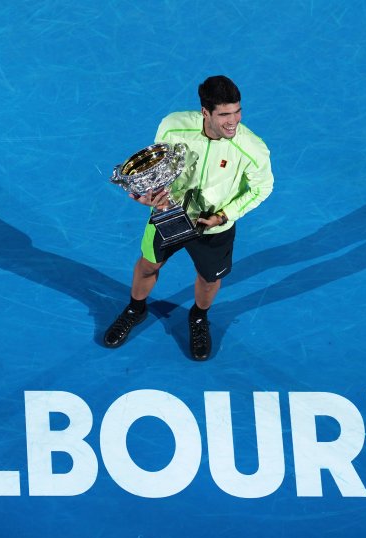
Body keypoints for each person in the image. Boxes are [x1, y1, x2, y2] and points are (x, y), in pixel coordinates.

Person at [104, 75, 274, 360]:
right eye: (224, 114)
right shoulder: (173, 126)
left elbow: (263, 188)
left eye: (237, 111)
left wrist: (224, 215)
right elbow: (160, 169)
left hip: (213, 225)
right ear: (205, 112)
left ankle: (198, 317)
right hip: (169, 213)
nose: (233, 121)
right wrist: (149, 195)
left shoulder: (253, 149)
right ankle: (136, 308)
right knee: (148, 265)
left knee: (208, 279)